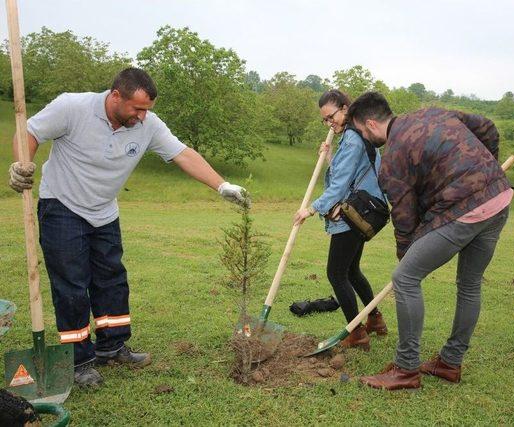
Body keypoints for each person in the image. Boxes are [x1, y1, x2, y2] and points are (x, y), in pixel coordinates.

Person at [8, 67, 248, 388]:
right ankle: (78, 360)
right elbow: (30, 132)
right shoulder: (72, 107)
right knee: (72, 286)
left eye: (147, 109)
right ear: (116, 96)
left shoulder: (147, 124)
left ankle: (112, 345)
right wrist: (21, 162)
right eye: (137, 108)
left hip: (104, 211)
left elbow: (183, 154)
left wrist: (222, 186)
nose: (142, 116)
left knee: (112, 280)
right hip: (62, 207)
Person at [348, 92, 512, 390]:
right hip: (499, 196)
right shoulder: (432, 112)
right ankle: (450, 363)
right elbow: (487, 126)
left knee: (406, 277)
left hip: (466, 208)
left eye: (360, 131)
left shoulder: (392, 158)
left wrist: (405, 255)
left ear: (370, 124)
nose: (363, 136)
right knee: (470, 283)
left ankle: (406, 369)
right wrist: (488, 168)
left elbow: (405, 218)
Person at [293, 89, 387, 350]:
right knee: (352, 271)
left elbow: (339, 186)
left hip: (351, 216)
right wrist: (330, 156)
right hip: (362, 214)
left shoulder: (353, 140)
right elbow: (352, 173)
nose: (328, 123)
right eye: (324, 120)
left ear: (346, 108)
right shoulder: (357, 136)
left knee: (336, 273)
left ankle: (356, 333)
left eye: (330, 116)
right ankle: (375, 319)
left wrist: (310, 209)